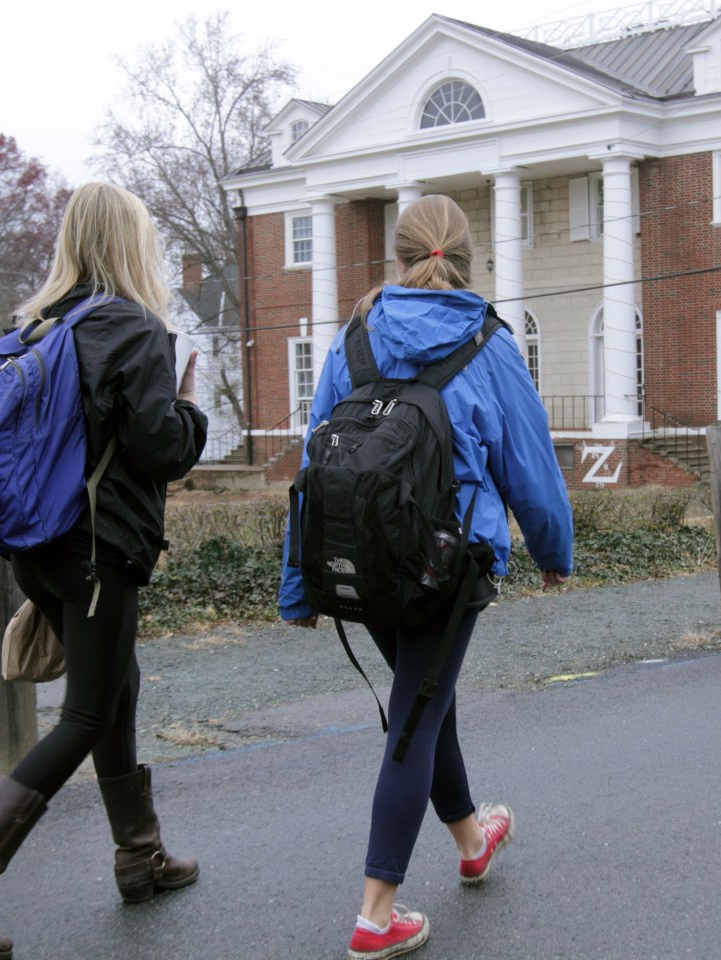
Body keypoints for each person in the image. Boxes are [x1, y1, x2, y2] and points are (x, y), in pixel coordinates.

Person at [0, 183, 209, 960]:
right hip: (101, 549)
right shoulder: (136, 329)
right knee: (84, 713)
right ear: (131, 244)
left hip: (37, 547)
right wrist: (190, 407)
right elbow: (160, 449)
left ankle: (140, 855)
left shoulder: (38, 324)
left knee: (117, 687)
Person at [280, 193, 573, 960]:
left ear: (400, 256)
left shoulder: (351, 338)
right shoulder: (489, 341)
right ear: (465, 257)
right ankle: (376, 916)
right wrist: (553, 552)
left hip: (361, 559)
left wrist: (299, 585)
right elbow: (530, 465)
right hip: (450, 565)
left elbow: (315, 465)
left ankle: (473, 840)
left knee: (423, 697)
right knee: (416, 714)